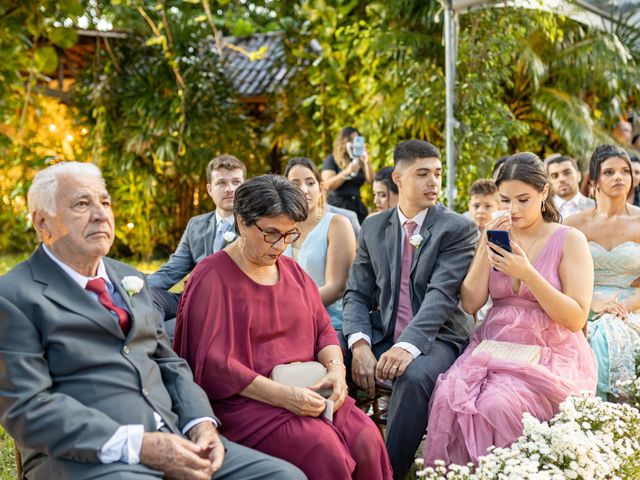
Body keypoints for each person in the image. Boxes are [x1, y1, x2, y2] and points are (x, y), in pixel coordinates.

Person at [0, 162, 304, 480]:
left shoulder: (130, 279)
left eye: (105, 202)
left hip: (178, 439)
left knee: (284, 476)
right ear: (42, 223)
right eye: (81, 204)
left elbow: (169, 364)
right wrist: (141, 446)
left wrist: (200, 424)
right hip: (88, 459)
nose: (101, 214)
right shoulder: (14, 297)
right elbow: (28, 408)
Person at [173, 175, 392, 480]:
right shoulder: (211, 278)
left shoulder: (292, 272)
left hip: (310, 390)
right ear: (242, 223)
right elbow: (214, 367)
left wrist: (336, 373)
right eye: (271, 233)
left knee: (367, 437)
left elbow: (323, 331)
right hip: (246, 404)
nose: (280, 245)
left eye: (289, 235)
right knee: (322, 447)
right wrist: (285, 396)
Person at [424, 152, 597, 466]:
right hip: (495, 345)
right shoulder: (498, 235)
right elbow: (471, 302)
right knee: (450, 397)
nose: (513, 210)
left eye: (523, 199)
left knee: (497, 405)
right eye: (505, 200)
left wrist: (528, 273)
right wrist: (483, 244)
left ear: (544, 193)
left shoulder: (569, 240)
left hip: (549, 350)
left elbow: (576, 318)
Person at [342, 139, 477, 480]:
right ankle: (335, 457)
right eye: (423, 174)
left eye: (437, 173)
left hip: (439, 338)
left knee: (415, 376)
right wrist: (359, 345)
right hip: (383, 331)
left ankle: (388, 472)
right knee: (326, 354)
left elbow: (441, 296)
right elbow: (356, 293)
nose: (434, 182)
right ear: (398, 179)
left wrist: (407, 347)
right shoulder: (373, 226)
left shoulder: (457, 228)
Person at [564, 144, 640, 400]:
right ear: (593, 179)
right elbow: (558, 275)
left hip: (631, 306)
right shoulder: (573, 224)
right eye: (609, 172)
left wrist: (625, 307)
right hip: (582, 303)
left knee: (615, 335)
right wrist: (592, 303)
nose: (619, 177)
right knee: (589, 336)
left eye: (625, 172)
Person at [148, 154, 246, 321]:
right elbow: (174, 268)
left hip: (231, 308)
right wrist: (138, 287)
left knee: (172, 334)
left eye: (236, 182)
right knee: (146, 299)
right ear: (209, 189)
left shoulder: (253, 226)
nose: (230, 188)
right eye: (221, 183)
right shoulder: (196, 224)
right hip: (192, 299)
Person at [283, 157, 356, 345]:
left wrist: (288, 311)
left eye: (310, 182)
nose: (304, 190)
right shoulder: (280, 229)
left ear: (321, 188)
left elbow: (338, 287)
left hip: (330, 323)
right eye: (295, 184)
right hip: (285, 323)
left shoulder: (337, 224)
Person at [321, 127, 374, 223]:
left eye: (357, 140)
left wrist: (366, 162)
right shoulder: (332, 159)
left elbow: (371, 181)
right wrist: (346, 172)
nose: (354, 144)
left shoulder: (359, 160)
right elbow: (327, 185)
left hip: (356, 206)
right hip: (338, 206)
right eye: (351, 140)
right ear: (344, 142)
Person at [545, 155, 595, 219]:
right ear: (549, 181)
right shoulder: (542, 211)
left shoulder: (596, 207)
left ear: (579, 176)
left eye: (567, 173)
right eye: (555, 176)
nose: (561, 179)